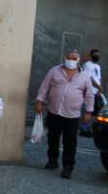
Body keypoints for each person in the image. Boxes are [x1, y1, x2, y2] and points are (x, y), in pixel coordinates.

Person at [34, 50, 94, 179]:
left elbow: (89, 95)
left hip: (72, 115)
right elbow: (44, 87)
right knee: (53, 138)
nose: (71, 60)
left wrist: (89, 111)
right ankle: (52, 160)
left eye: (74, 58)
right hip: (54, 111)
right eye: (69, 57)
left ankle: (68, 167)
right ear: (64, 58)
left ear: (78, 61)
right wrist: (39, 101)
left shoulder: (85, 76)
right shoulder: (54, 71)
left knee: (70, 142)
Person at [80, 49, 102, 138]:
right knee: (87, 110)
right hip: (89, 91)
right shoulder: (87, 65)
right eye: (95, 54)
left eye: (98, 54)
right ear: (91, 55)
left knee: (94, 112)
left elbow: (98, 78)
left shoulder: (98, 66)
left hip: (96, 92)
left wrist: (100, 89)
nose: (97, 56)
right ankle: (84, 129)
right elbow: (90, 78)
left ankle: (88, 128)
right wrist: (99, 87)